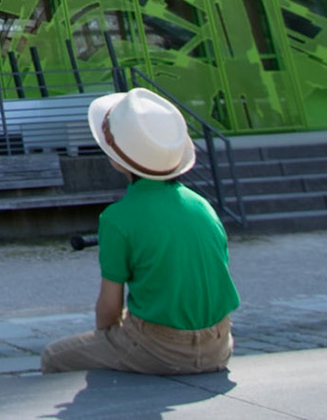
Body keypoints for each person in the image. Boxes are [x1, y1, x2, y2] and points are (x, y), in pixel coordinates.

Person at [39, 87, 241, 376]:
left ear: (116, 159)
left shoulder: (117, 218)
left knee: (54, 356)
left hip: (159, 348)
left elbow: (109, 308)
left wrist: (107, 339)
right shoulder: (202, 206)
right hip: (218, 344)